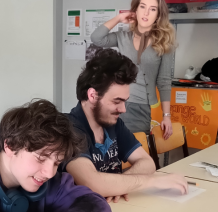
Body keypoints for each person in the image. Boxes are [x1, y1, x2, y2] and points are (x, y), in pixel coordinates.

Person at [65, 48, 188, 203]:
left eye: (124, 101)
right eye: (117, 101)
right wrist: (151, 181)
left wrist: (118, 186)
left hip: (114, 206)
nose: (123, 109)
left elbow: (147, 163)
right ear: (92, 96)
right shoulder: (69, 129)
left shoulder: (113, 123)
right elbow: (92, 183)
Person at [90, 0, 176, 139]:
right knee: (111, 147)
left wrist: (166, 116)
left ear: (158, 15)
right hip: (114, 103)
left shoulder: (165, 43)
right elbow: (96, 38)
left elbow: (164, 81)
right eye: (142, 6)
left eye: (153, 9)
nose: (146, 13)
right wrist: (118, 18)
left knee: (135, 148)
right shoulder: (123, 37)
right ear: (135, 9)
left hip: (141, 107)